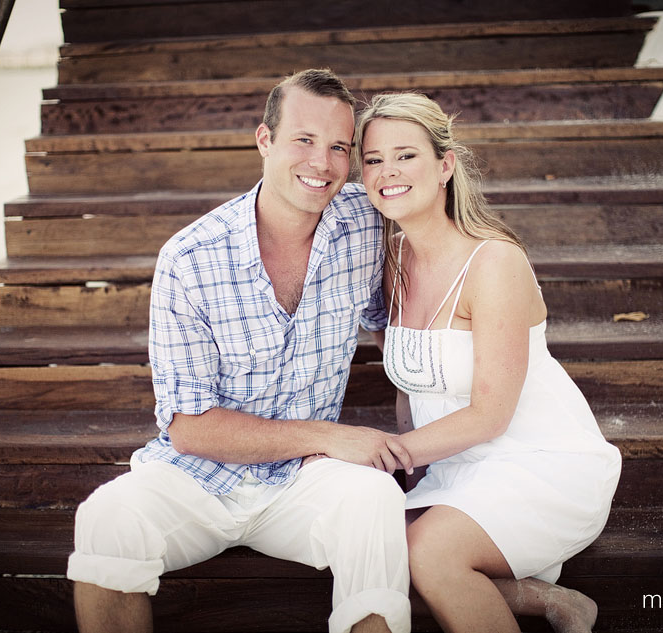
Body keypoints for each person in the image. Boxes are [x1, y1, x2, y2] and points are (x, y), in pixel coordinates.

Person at [65, 69, 414, 633]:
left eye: (339, 148)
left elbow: (394, 325)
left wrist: (424, 428)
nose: (321, 164)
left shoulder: (364, 224)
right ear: (264, 140)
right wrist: (330, 436)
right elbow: (190, 429)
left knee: (374, 501)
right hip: (198, 478)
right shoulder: (191, 258)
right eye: (303, 140)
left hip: (305, 481)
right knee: (106, 516)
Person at [354, 92, 622, 633]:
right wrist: (410, 470)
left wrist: (385, 455)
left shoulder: (495, 262)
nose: (388, 172)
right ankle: (549, 601)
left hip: (537, 463)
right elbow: (411, 385)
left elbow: (491, 415)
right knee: (360, 545)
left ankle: (545, 600)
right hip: (454, 467)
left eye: (406, 155)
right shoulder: (391, 260)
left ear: (445, 165)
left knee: (427, 552)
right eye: (374, 159)